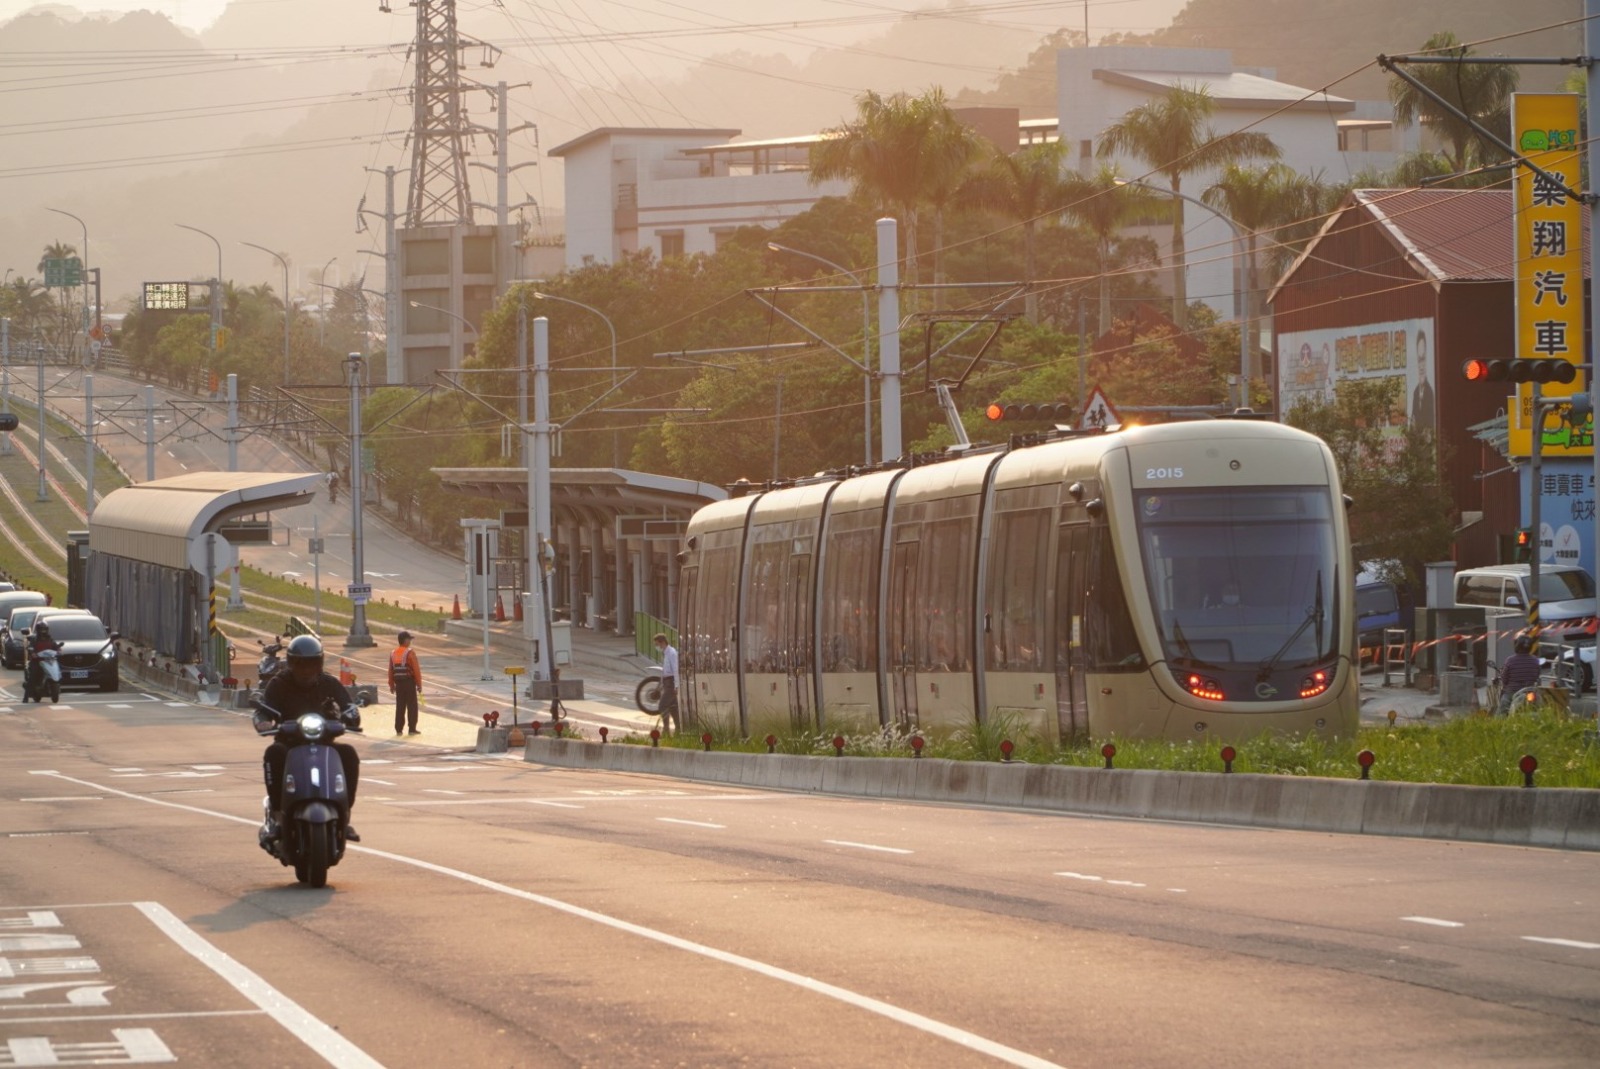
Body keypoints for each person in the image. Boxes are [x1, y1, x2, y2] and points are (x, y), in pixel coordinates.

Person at [255, 635, 362, 845]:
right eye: (300, 665)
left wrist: (351, 715)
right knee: (273, 754)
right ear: (291, 664)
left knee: (349, 754)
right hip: (290, 744)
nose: (306, 670)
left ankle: (345, 813)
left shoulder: (329, 683)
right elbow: (263, 711)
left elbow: (349, 706)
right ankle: (277, 815)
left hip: (325, 744)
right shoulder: (279, 683)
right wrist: (263, 722)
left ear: (320, 664)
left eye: (312, 664)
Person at [1496, 634, 1543, 715]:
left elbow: (1504, 678)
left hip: (1513, 692)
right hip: (1529, 692)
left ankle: (1500, 724)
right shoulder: (1535, 660)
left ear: (1517, 646)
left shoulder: (1510, 660)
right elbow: (1537, 675)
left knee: (1503, 709)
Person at [388, 630, 423, 735]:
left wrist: (391, 685)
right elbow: (416, 670)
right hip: (409, 683)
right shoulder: (410, 653)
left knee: (400, 706)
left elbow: (391, 670)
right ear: (405, 640)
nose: (410, 641)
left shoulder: (393, 653)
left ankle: (399, 729)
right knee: (412, 706)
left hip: (398, 684)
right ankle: (412, 728)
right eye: (409, 639)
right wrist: (419, 684)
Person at [653, 632, 680, 736]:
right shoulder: (665, 653)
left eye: (657, 644)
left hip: (671, 683)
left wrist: (676, 685)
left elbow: (675, 669)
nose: (657, 647)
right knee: (673, 708)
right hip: (667, 682)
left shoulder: (672, 653)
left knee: (662, 705)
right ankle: (678, 730)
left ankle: (666, 730)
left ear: (663, 642)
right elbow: (664, 671)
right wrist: (659, 686)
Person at [25, 620, 62, 695]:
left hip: (49, 660)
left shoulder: (50, 638)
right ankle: (27, 695)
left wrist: (59, 650)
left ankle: (55, 685)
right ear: (38, 630)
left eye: (45, 629)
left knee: (58, 668)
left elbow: (55, 646)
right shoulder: (34, 639)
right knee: (33, 674)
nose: (43, 631)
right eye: (42, 629)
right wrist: (32, 653)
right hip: (37, 661)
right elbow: (30, 647)